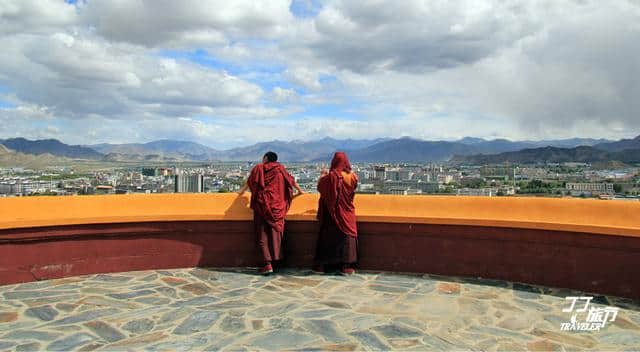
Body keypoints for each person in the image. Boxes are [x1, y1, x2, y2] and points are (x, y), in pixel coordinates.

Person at [238, 151, 303, 275]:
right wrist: (300, 191)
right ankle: (276, 261)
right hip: (277, 206)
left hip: (263, 205)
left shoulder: (259, 168)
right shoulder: (280, 169)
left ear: (266, 158)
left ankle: (266, 264)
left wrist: (240, 192)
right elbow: (291, 181)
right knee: (275, 234)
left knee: (262, 235)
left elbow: (251, 182)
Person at [313, 152, 359, 275]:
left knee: (327, 237)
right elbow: (352, 189)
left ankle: (321, 266)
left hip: (330, 212)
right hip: (346, 211)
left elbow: (320, 188)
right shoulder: (353, 177)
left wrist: (322, 176)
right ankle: (346, 266)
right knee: (346, 237)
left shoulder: (330, 177)